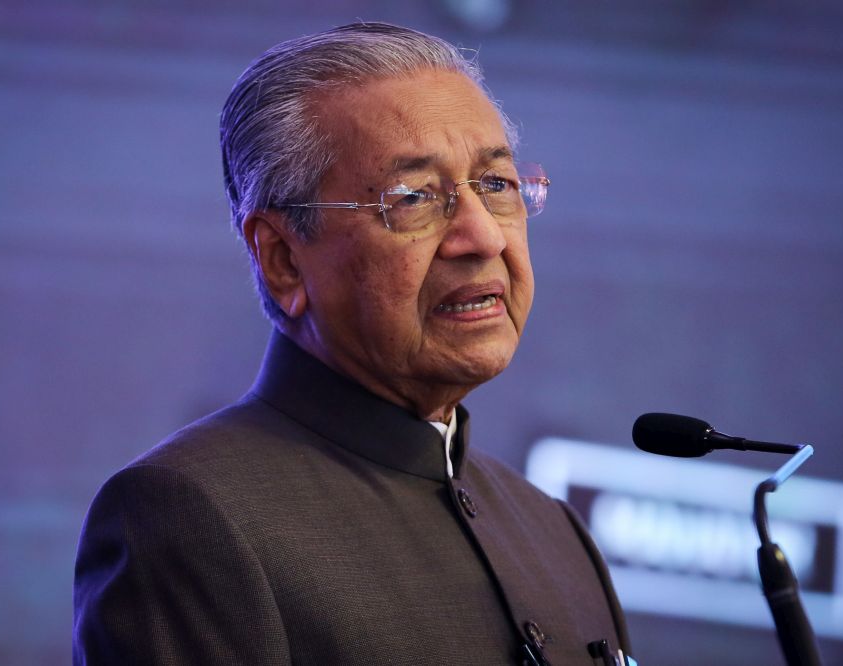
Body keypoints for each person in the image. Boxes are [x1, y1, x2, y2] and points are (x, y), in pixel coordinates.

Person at [73, 22, 632, 665]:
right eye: (415, 198)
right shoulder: (187, 515)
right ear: (283, 259)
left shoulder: (553, 532)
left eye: (497, 185)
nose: (483, 237)